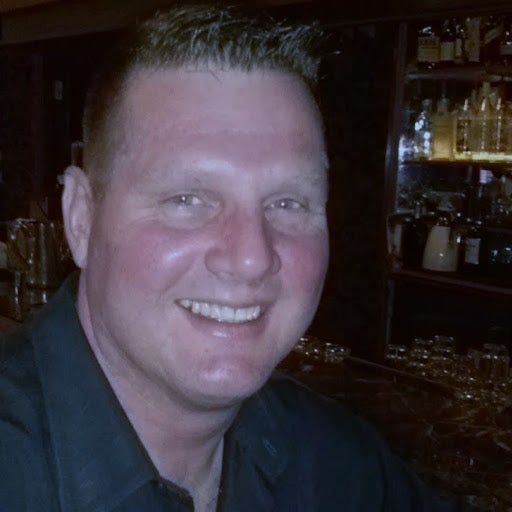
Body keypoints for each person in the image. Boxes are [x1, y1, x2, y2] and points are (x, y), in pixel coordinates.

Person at [0, 4, 470, 511]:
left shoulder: (334, 460)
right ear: (81, 218)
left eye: (287, 203)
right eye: (187, 199)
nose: (251, 258)